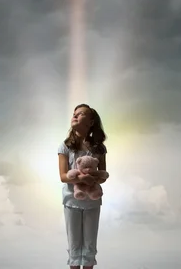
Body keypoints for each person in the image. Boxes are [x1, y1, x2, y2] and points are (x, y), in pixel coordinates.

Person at [58, 103, 108, 269]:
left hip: (92, 202)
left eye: (80, 113)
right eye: (74, 113)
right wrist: (80, 179)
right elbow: (63, 176)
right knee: (74, 246)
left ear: (91, 121)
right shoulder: (65, 146)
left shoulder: (99, 148)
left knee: (89, 247)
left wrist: (93, 179)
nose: (75, 115)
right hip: (71, 201)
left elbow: (103, 175)